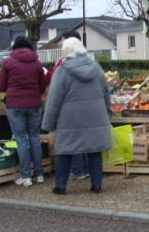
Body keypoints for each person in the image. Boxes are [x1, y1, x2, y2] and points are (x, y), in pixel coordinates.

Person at [41, 37, 112, 195]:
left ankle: (60, 185)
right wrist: (108, 113)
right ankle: (96, 184)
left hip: (69, 117)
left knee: (65, 149)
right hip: (95, 114)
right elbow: (105, 93)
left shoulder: (62, 70)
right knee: (95, 149)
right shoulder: (96, 67)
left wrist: (48, 124)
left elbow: (54, 99)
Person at [0, 36, 46, 186]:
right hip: (34, 105)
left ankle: (25, 176)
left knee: (21, 140)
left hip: (15, 105)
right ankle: (39, 174)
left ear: (14, 47)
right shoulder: (37, 64)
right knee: (34, 138)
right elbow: (42, 88)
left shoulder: (8, 62)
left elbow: (0, 86)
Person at [46, 30, 89, 180]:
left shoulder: (63, 64)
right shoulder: (88, 61)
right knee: (83, 138)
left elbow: (54, 84)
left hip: (69, 107)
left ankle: (78, 170)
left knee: (73, 139)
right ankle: (84, 168)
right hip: (86, 106)